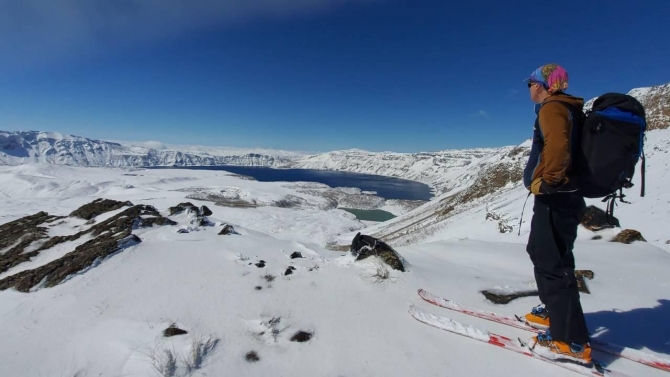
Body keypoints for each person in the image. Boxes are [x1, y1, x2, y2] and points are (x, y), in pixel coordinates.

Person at [522, 64, 592, 363]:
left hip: (557, 198)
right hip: (564, 198)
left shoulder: (552, 108)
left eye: (530, 82)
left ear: (542, 85)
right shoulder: (567, 108)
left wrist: (548, 182)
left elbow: (558, 146)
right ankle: (554, 311)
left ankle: (571, 341)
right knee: (541, 252)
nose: (528, 88)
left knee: (553, 262)